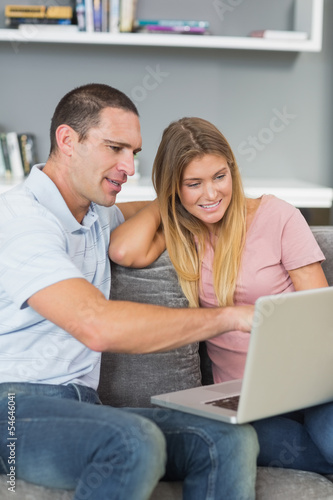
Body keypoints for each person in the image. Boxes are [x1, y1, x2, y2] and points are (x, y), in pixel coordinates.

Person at [0, 85, 259, 500]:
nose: (128, 167)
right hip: (12, 409)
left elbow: (153, 208)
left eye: (133, 153)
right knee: (134, 440)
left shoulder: (95, 213)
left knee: (229, 438)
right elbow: (95, 324)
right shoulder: (21, 222)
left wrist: (194, 194)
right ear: (68, 141)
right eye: (115, 148)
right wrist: (231, 316)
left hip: (82, 408)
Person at [110, 116, 333, 476]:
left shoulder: (278, 217)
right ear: (174, 188)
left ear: (232, 170)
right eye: (193, 183)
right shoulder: (183, 230)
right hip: (247, 401)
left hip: (312, 386)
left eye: (219, 177)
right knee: (269, 444)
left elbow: (321, 318)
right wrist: (165, 202)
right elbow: (123, 250)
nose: (211, 195)